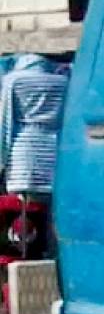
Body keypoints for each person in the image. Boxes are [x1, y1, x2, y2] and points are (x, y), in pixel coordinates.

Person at [0, 53, 68, 203]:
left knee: (23, 208)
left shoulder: (13, 81)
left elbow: (5, 121)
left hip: (23, 152)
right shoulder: (63, 83)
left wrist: (1, 160)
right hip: (53, 151)